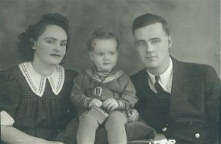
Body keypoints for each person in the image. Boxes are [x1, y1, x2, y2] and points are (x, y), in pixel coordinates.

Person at [129, 13, 220, 144]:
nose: (149, 49)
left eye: (155, 41)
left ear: (169, 41)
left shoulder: (202, 76)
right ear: (136, 47)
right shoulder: (130, 84)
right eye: (142, 43)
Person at [0, 13, 78, 144]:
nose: (57, 49)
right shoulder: (13, 79)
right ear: (33, 43)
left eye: (62, 44)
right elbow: (2, 128)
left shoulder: (72, 78)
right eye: (50, 41)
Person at [69, 29, 138, 144]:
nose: (106, 58)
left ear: (117, 54)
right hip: (93, 111)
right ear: (91, 56)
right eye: (101, 54)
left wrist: (119, 102)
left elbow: (131, 96)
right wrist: (88, 101)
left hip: (116, 111)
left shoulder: (122, 78)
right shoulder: (84, 76)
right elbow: (75, 95)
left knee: (116, 121)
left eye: (111, 53)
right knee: (86, 120)